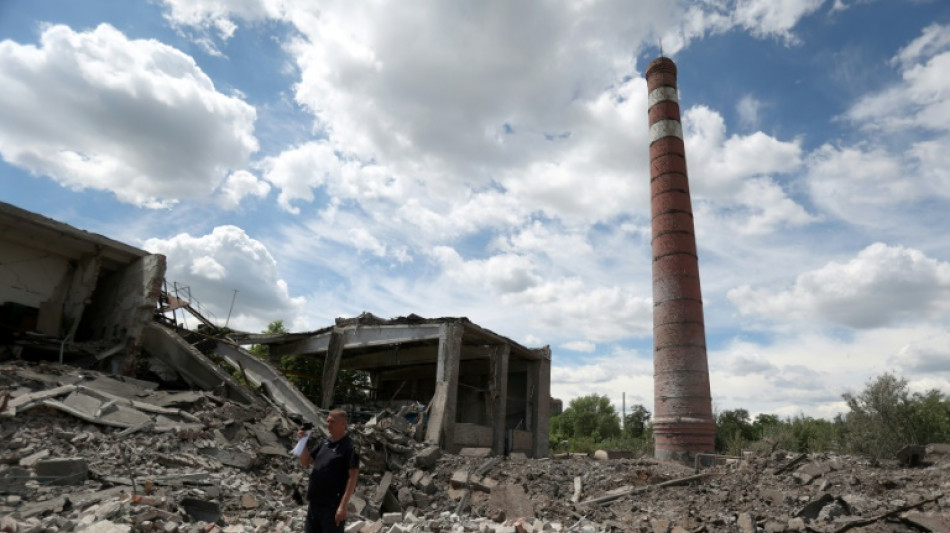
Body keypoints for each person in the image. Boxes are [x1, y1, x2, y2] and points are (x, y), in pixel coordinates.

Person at [297, 409, 359, 533]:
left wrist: (343, 506)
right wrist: (302, 442)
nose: (328, 424)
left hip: (332, 507)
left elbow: (353, 477)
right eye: (327, 421)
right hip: (314, 503)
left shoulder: (350, 447)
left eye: (332, 421)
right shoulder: (325, 443)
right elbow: (305, 462)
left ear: (343, 424)